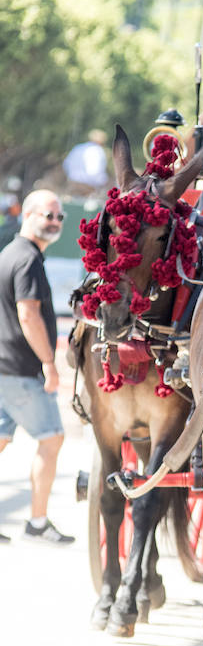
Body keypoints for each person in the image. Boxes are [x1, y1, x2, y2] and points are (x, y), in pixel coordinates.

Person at [0, 190, 74, 544]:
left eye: (60, 217)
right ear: (29, 214)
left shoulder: (10, 254)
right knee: (52, 438)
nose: (56, 222)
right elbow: (28, 314)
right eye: (49, 214)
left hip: (4, 367)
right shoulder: (27, 259)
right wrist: (49, 363)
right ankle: (37, 523)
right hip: (19, 370)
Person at [63, 129, 110, 196]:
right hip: (88, 187)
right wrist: (104, 182)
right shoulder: (98, 151)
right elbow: (95, 172)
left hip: (72, 183)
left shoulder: (78, 147)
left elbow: (66, 164)